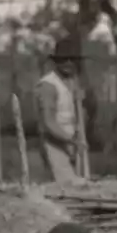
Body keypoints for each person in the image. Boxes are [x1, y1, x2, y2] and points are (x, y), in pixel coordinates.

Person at [37, 36, 90, 184]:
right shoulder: (48, 85)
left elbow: (81, 114)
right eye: (63, 59)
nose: (68, 63)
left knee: (81, 182)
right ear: (55, 61)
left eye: (72, 59)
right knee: (66, 184)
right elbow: (48, 122)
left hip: (74, 141)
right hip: (54, 142)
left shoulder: (74, 81)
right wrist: (71, 141)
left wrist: (79, 134)